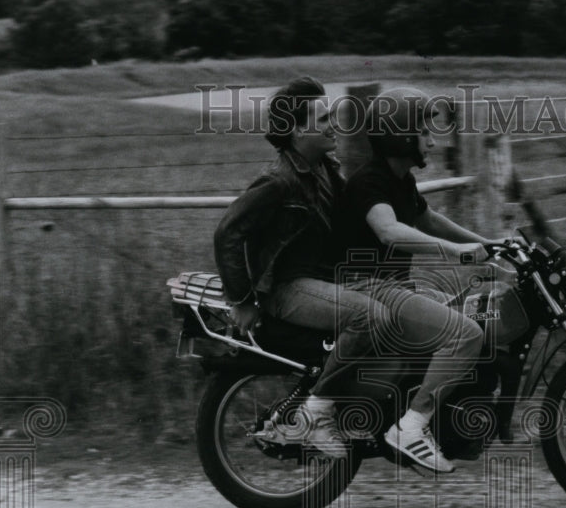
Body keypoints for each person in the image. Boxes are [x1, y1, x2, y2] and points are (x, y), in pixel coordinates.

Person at [342, 87, 499, 473]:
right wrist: (454, 252)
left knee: (471, 317)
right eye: (424, 133)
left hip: (393, 289)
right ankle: (411, 427)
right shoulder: (369, 182)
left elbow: (427, 219)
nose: (432, 141)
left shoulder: (400, 180)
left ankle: (431, 417)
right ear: (399, 136)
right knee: (466, 334)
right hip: (367, 289)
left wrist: (490, 246)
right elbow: (389, 231)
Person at [214, 76, 372, 459]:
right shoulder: (280, 181)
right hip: (288, 288)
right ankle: (315, 418)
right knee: (366, 318)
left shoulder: (324, 169)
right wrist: (243, 300)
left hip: (319, 280)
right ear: (299, 130)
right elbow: (227, 233)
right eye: (322, 118)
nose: (333, 123)